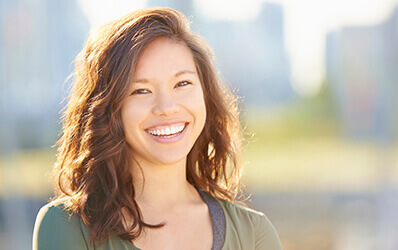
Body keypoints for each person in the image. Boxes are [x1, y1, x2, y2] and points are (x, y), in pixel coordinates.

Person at [32, 7, 283, 250]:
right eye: (141, 90)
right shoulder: (69, 226)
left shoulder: (254, 233)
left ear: (205, 94)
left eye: (182, 83)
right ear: (109, 109)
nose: (166, 107)